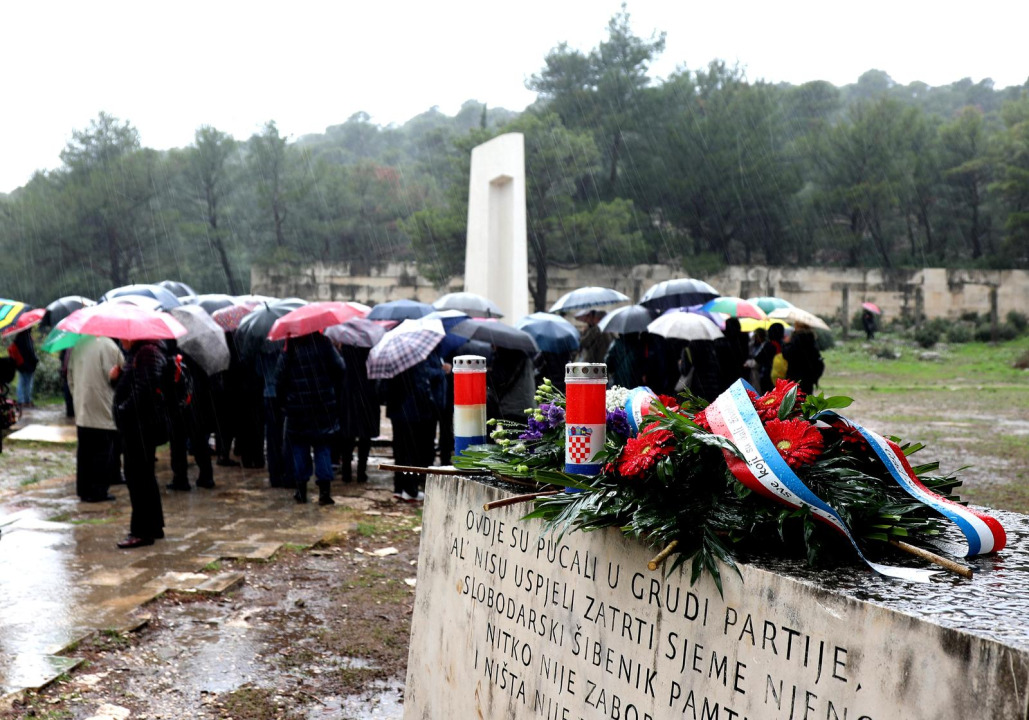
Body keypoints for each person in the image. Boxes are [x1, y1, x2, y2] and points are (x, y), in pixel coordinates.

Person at [276, 332, 346, 505]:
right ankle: (324, 492)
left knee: (300, 446)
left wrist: (284, 400)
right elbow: (340, 368)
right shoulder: (324, 343)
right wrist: (328, 384)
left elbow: (280, 376)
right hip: (322, 406)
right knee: (322, 446)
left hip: (297, 407)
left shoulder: (291, 346)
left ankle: (301, 491)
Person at [111, 338, 167, 549]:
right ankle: (153, 526)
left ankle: (141, 532)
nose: (120, 339)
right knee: (143, 477)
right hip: (139, 426)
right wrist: (117, 379)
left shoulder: (146, 353)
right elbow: (134, 385)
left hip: (141, 427)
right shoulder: (139, 354)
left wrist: (123, 409)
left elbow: (145, 388)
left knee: (138, 478)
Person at [68, 336, 122, 503]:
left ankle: (83, 490)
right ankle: (98, 491)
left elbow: (69, 376)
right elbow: (117, 376)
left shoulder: (78, 345)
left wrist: (77, 396)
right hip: (102, 408)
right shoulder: (110, 346)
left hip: (82, 407)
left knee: (84, 451)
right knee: (102, 452)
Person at [386, 352, 445, 502]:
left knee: (400, 450)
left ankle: (399, 488)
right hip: (412, 411)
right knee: (411, 451)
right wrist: (431, 406)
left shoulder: (394, 357)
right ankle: (410, 490)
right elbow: (421, 385)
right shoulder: (415, 358)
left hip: (397, 410)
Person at [165, 350, 215, 491]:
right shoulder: (199, 353)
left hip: (179, 404)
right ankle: (206, 476)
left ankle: (181, 479)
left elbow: (169, 380)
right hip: (196, 402)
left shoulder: (171, 353)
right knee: (198, 441)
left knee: (178, 443)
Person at [336, 343, 379, 483]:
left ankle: (347, 472)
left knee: (347, 435)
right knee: (364, 436)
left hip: (348, 393)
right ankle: (361, 472)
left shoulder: (345, 349)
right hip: (367, 394)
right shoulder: (371, 349)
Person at [488, 347, 536, 422]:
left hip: (513, 409)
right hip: (528, 406)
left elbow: (499, 381)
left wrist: (487, 374)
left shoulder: (507, 356)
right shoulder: (524, 355)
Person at [783, 324, 825, 394]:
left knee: (795, 400)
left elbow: (787, 354)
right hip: (808, 378)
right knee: (806, 400)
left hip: (794, 376)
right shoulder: (811, 339)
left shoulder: (796, 338)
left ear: (798, 326)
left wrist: (786, 343)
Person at [11, 328, 38, 408]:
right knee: (28, 384)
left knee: (21, 383)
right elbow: (30, 351)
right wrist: (35, 360)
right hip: (28, 365)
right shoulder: (26, 337)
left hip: (20, 364)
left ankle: (21, 401)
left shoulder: (18, 337)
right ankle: (27, 401)